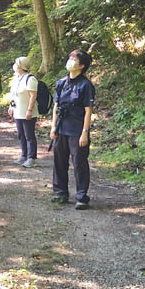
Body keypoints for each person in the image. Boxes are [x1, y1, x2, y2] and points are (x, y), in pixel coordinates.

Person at [49, 49, 95, 209]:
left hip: (77, 130)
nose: (70, 61)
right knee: (59, 161)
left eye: (73, 59)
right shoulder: (61, 83)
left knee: (79, 163)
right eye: (70, 57)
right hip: (62, 128)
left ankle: (82, 196)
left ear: (81, 65)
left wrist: (85, 133)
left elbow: (88, 111)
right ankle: (60, 192)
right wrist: (53, 127)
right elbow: (56, 106)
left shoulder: (86, 85)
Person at [8, 56, 39, 168]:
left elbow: (33, 96)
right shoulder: (16, 78)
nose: (15, 65)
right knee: (21, 134)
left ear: (22, 65)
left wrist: (29, 110)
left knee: (29, 135)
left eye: (16, 63)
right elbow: (14, 95)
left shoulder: (30, 79)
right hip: (18, 112)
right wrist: (11, 107)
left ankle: (32, 157)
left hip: (27, 112)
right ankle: (24, 154)